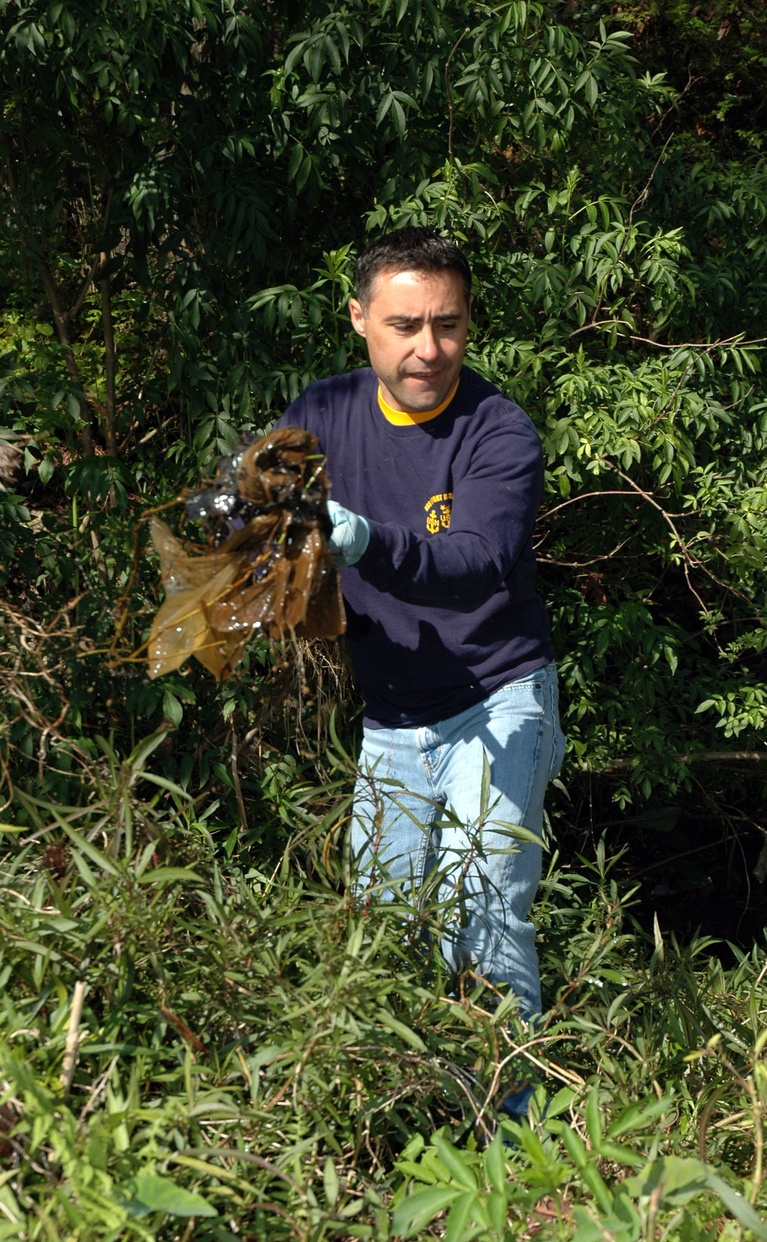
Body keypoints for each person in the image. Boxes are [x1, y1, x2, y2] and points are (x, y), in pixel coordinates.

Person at [279, 227, 565, 1024]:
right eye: (406, 326)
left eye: (450, 324)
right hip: (391, 717)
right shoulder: (323, 411)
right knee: (380, 932)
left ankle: (516, 1128)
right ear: (359, 319)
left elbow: (475, 560)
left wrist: (365, 542)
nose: (430, 349)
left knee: (482, 910)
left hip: (497, 697)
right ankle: (407, 1125)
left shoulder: (497, 431)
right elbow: (261, 503)